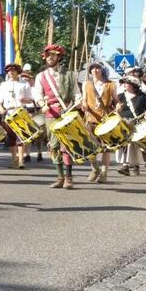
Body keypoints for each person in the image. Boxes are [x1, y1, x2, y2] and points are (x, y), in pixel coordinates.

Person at [34, 45, 79, 189]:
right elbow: (37, 94)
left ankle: (69, 178)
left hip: (67, 112)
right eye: (48, 55)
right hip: (51, 113)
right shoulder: (41, 76)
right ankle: (60, 177)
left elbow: (76, 92)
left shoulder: (70, 74)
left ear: (59, 57)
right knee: (53, 146)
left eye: (53, 55)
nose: (50, 58)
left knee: (66, 145)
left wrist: (79, 100)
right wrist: (42, 104)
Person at [81, 62, 116, 183]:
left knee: (106, 148)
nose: (95, 70)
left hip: (106, 119)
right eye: (92, 68)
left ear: (102, 70)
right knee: (91, 147)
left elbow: (116, 101)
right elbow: (84, 99)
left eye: (97, 68)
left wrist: (119, 106)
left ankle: (104, 173)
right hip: (91, 118)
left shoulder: (110, 84)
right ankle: (95, 168)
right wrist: (84, 105)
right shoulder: (86, 84)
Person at [116, 76, 146, 176]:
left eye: (127, 83)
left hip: (137, 123)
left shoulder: (141, 96)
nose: (124, 84)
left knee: (134, 146)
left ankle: (136, 166)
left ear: (133, 85)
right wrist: (117, 109)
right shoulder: (121, 96)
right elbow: (115, 109)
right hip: (124, 123)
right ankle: (125, 166)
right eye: (124, 83)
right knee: (124, 144)